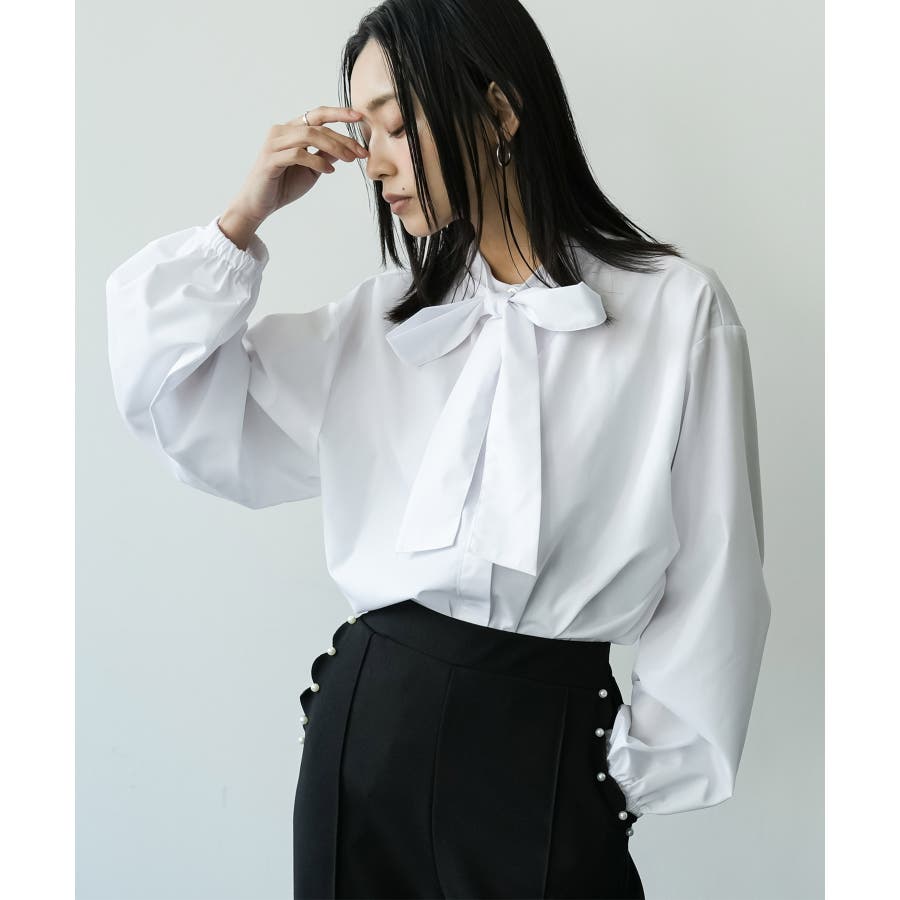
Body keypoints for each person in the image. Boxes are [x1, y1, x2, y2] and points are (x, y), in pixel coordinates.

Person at [105, 1, 772, 897]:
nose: (374, 162)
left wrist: (627, 780)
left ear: (500, 111)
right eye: (364, 132)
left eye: (396, 125)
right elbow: (176, 404)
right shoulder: (383, 320)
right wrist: (241, 219)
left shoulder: (675, 309)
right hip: (364, 738)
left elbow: (717, 574)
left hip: (546, 759)